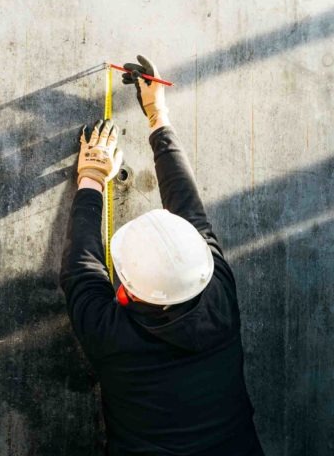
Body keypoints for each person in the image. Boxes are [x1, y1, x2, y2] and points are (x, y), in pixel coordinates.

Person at [59, 56, 264, 455]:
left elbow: (80, 268)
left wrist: (93, 174)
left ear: (127, 292)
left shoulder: (114, 334)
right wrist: (157, 115)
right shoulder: (219, 297)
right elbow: (191, 212)